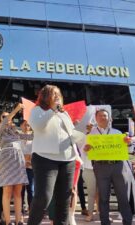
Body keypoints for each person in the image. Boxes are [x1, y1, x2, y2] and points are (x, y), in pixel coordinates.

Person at [27, 84, 80, 225]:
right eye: (54, 94)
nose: (58, 97)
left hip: (68, 159)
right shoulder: (37, 110)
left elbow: (71, 135)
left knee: (64, 199)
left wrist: (82, 133)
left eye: (59, 95)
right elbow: (38, 126)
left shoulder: (64, 113)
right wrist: (53, 110)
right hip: (45, 159)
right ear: (45, 97)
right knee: (43, 197)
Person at [83, 109, 132, 225]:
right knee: (103, 197)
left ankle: (128, 221)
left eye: (105, 115)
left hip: (118, 166)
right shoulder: (91, 135)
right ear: (96, 118)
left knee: (122, 196)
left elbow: (128, 150)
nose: (102, 117)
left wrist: (128, 143)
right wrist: (86, 149)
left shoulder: (118, 133)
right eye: (100, 116)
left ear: (110, 118)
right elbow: (84, 152)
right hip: (100, 167)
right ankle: (104, 222)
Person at [0, 104, 32, 225]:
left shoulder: (15, 131)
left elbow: (30, 136)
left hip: (18, 159)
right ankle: (7, 221)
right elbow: (6, 120)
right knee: (7, 191)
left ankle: (18, 220)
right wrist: (16, 110)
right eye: (4, 117)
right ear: (0, 120)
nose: (7, 118)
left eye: (8, 117)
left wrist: (38, 129)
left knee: (18, 191)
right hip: (7, 158)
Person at [20, 120, 34, 214]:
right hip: (20, 166)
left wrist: (29, 160)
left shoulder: (34, 137)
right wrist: (24, 159)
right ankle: (20, 209)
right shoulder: (18, 136)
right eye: (25, 125)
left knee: (31, 190)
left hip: (31, 167)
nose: (26, 127)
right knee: (20, 190)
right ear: (21, 125)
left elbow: (35, 151)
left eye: (28, 125)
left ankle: (31, 209)